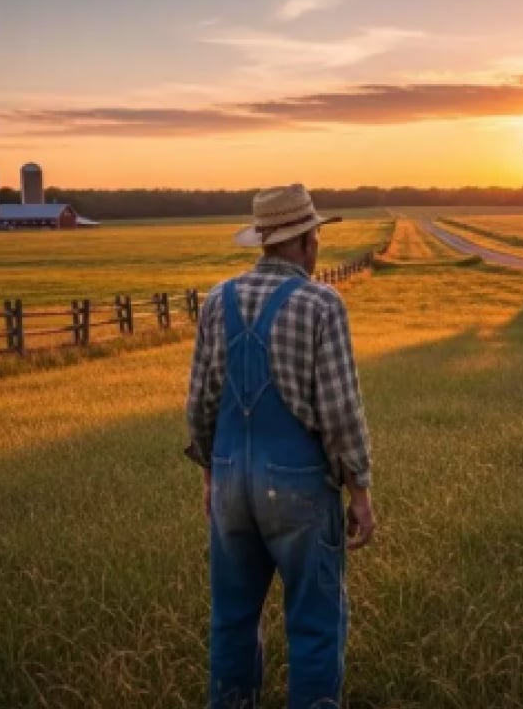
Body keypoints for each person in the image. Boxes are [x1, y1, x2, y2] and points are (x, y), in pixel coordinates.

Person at [185, 183, 376, 709]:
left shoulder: (216, 301)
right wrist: (359, 490)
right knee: (315, 622)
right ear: (308, 240)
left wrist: (209, 475)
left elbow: (200, 402)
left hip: (229, 481)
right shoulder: (321, 303)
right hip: (297, 485)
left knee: (232, 618)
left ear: (264, 242)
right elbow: (340, 411)